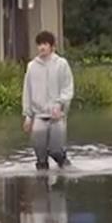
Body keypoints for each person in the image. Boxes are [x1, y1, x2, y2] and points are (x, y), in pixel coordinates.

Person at [22, 31, 74, 170]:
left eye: (45, 44)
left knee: (56, 150)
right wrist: (27, 116)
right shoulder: (32, 66)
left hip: (57, 115)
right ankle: (42, 184)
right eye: (39, 44)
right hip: (39, 114)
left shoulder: (61, 64)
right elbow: (27, 91)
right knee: (40, 154)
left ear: (52, 46)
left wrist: (60, 104)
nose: (42, 47)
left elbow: (67, 88)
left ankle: (65, 167)